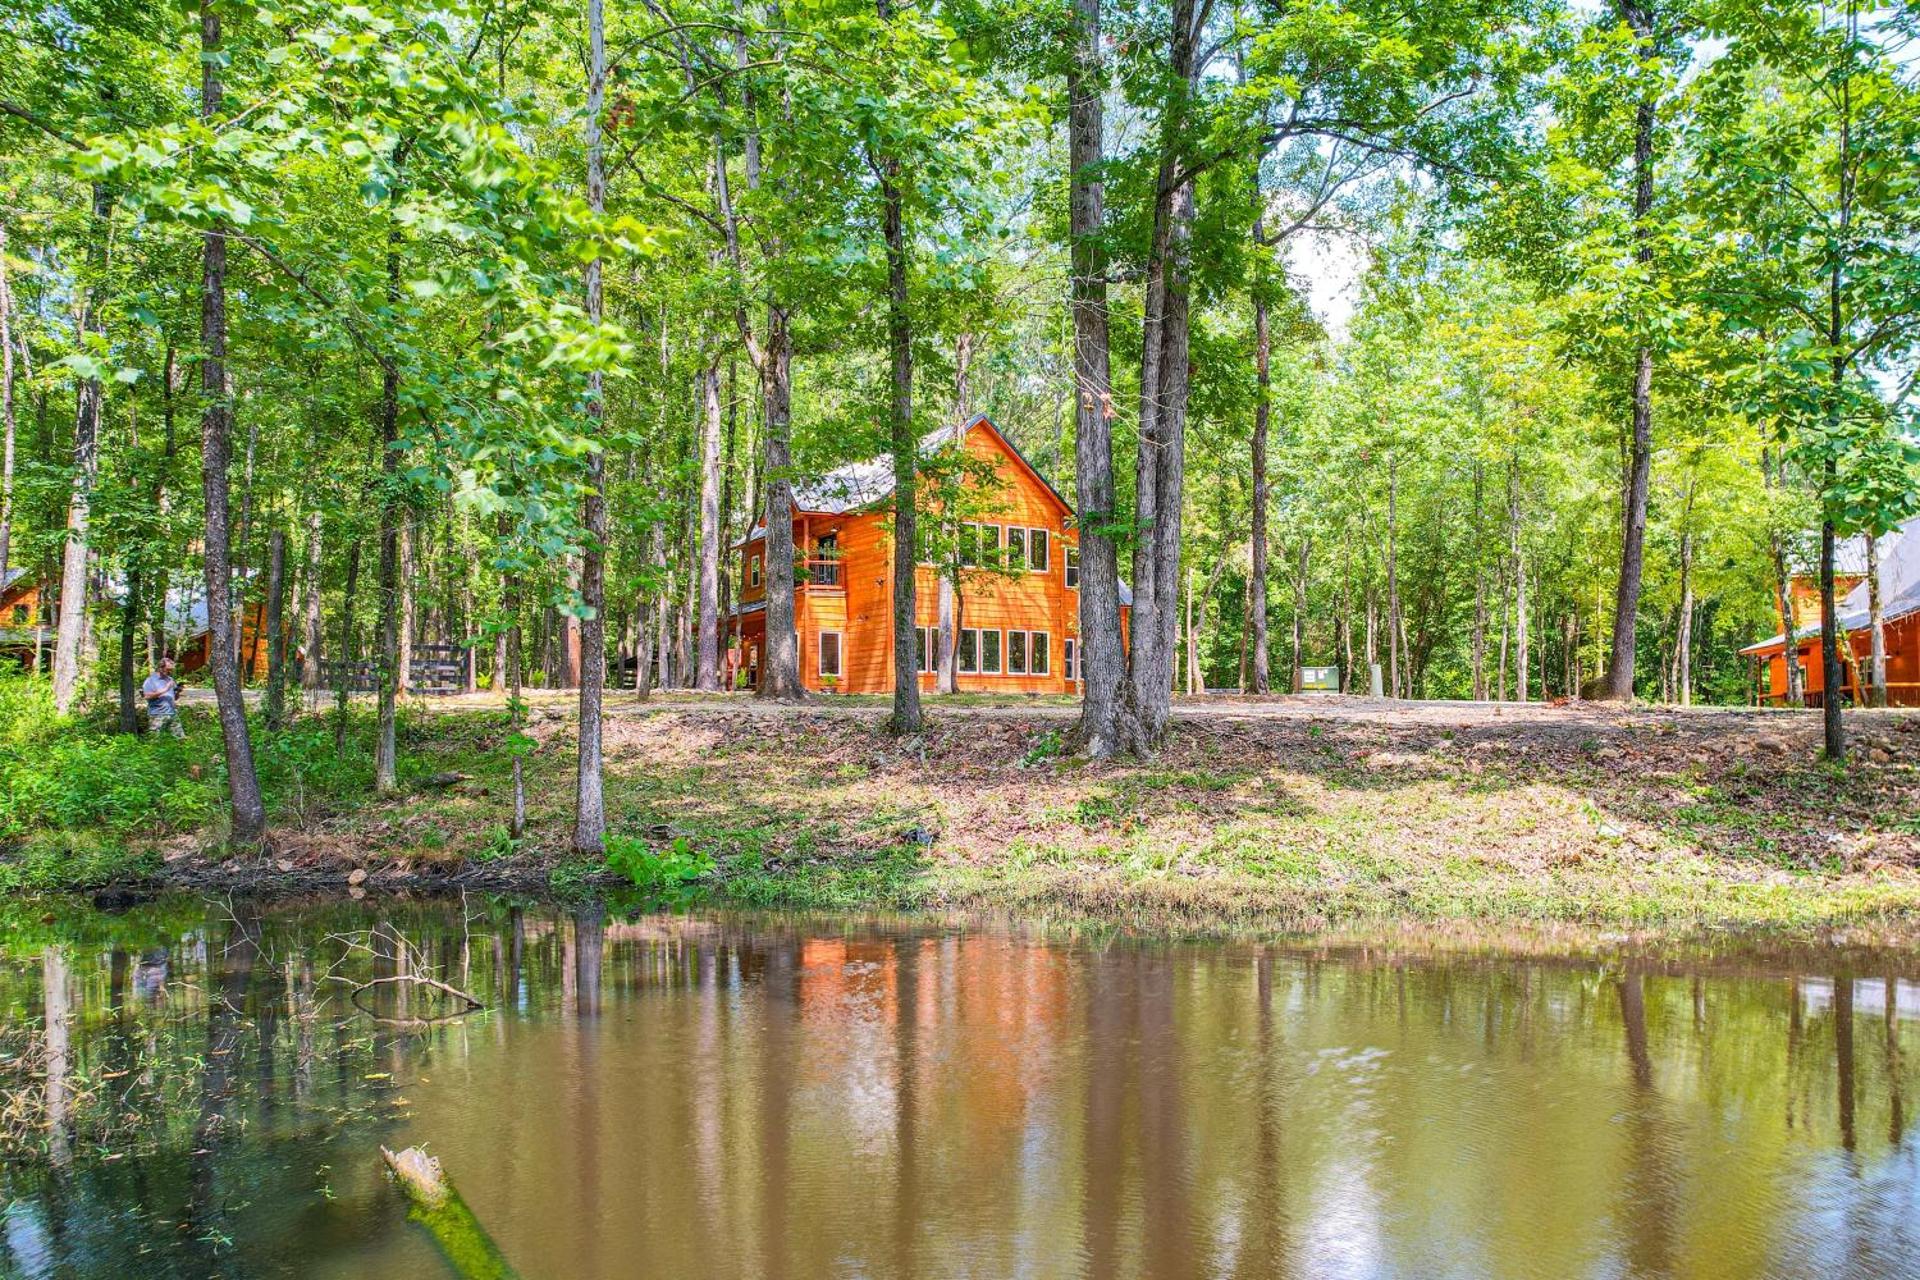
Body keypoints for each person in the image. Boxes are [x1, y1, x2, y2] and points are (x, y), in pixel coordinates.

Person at [142, 657, 184, 739]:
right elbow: (147, 696)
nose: (170, 672)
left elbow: (174, 698)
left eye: (171, 670)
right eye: (168, 669)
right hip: (157, 714)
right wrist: (165, 689)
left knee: (181, 739)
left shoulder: (170, 679)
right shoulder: (150, 680)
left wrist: (178, 691)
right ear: (161, 668)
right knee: (154, 740)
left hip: (172, 713)